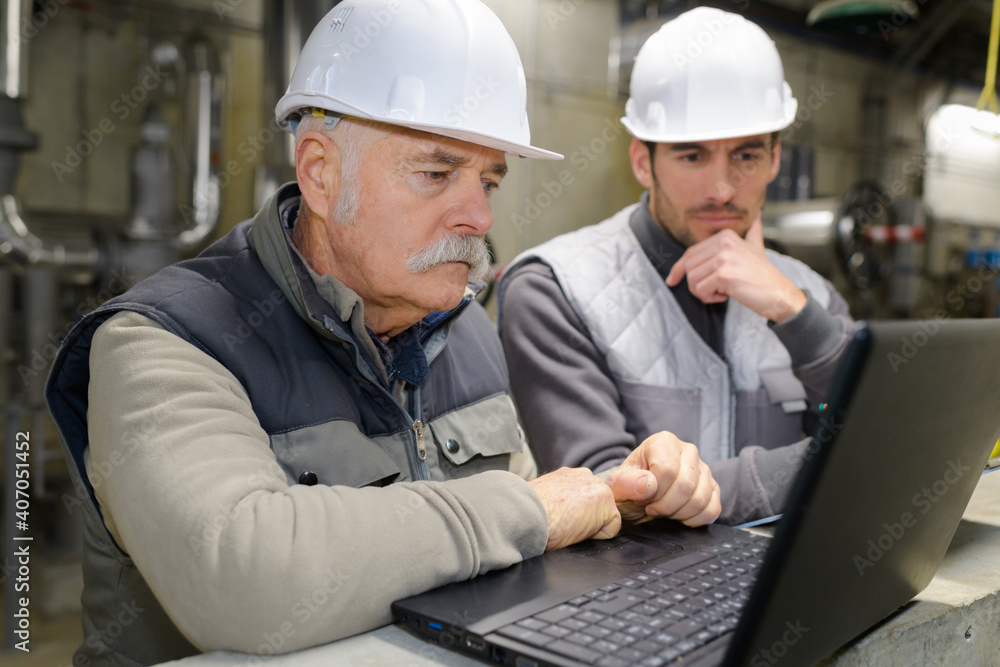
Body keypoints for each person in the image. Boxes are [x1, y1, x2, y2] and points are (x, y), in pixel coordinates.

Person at [45, 1, 721, 664]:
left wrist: (623, 501)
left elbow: (519, 546)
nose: (478, 216)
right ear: (319, 172)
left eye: (489, 180)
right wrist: (531, 511)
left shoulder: (465, 331)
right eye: (437, 172)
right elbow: (241, 578)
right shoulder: (165, 342)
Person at [498, 7, 854, 526]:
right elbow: (609, 500)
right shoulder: (554, 291)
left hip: (790, 592)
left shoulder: (808, 295)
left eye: (747, 156)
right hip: (629, 601)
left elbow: (884, 428)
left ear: (776, 158)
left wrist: (792, 312)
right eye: (692, 156)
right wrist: (827, 467)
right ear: (643, 161)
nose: (722, 189)